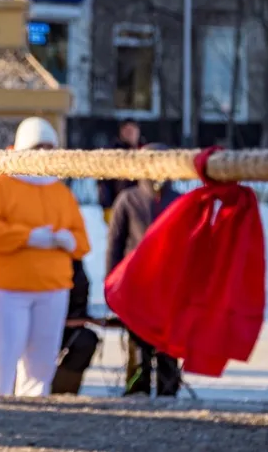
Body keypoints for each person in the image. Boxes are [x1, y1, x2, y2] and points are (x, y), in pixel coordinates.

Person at [0, 117, 90, 397]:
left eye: (50, 147)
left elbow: (83, 242)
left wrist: (68, 240)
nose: (43, 153)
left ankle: (34, 412)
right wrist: (27, 236)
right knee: (2, 357)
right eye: (38, 146)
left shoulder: (61, 191)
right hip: (8, 289)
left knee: (41, 363)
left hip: (53, 288)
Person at [106, 142, 183, 397]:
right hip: (136, 288)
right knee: (138, 346)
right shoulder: (128, 200)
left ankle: (168, 391)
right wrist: (111, 287)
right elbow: (114, 247)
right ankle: (136, 389)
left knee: (168, 347)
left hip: (170, 290)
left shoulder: (180, 200)